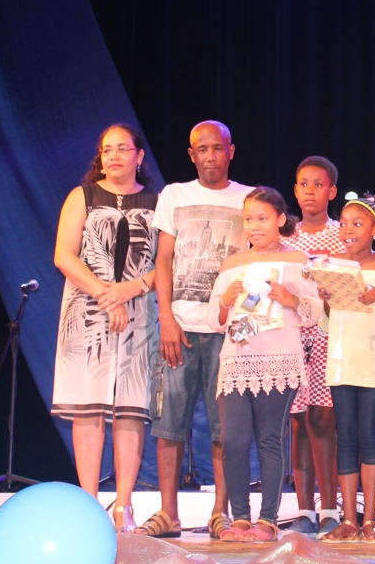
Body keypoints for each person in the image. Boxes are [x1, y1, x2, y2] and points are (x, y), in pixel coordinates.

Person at [136, 121, 253, 539]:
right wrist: (166, 317)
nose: (209, 156)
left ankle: (221, 512)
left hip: (227, 330)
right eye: (202, 149)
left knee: (225, 428)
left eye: (217, 148)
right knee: (168, 423)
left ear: (230, 151)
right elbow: (163, 260)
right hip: (180, 328)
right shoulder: (174, 195)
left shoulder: (247, 198)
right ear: (192, 155)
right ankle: (168, 512)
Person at [51, 123, 158, 532]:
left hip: (138, 311)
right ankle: (89, 503)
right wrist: (106, 295)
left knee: (130, 407)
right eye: (106, 149)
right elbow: (64, 255)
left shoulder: (157, 202)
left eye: (122, 149)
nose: (113, 156)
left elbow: (166, 264)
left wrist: (131, 289)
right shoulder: (82, 196)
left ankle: (124, 505)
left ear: (139, 156)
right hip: (87, 311)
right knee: (89, 407)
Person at [209, 187, 323, 542]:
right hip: (236, 361)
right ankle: (240, 518)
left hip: (278, 360)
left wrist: (290, 299)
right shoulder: (233, 264)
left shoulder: (297, 260)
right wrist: (225, 302)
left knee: (270, 439)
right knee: (233, 441)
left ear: (280, 220)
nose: (254, 226)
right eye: (248, 219)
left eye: (262, 218)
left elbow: (316, 314)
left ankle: (268, 519)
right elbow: (215, 320)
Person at [319, 193, 375, 544]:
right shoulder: (333, 265)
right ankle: (348, 519)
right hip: (342, 359)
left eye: (357, 224)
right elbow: (328, 321)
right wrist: (327, 301)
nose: (349, 231)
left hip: (374, 359)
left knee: (370, 437)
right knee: (345, 437)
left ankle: (371, 518)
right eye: (344, 224)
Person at [283, 156, 343, 538]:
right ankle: (304, 509)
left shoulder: (342, 234)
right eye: (303, 184)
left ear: (331, 191)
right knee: (298, 421)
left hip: (328, 335)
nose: (309, 191)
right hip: (291, 336)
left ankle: (330, 508)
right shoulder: (285, 236)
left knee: (323, 419)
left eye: (318, 185)